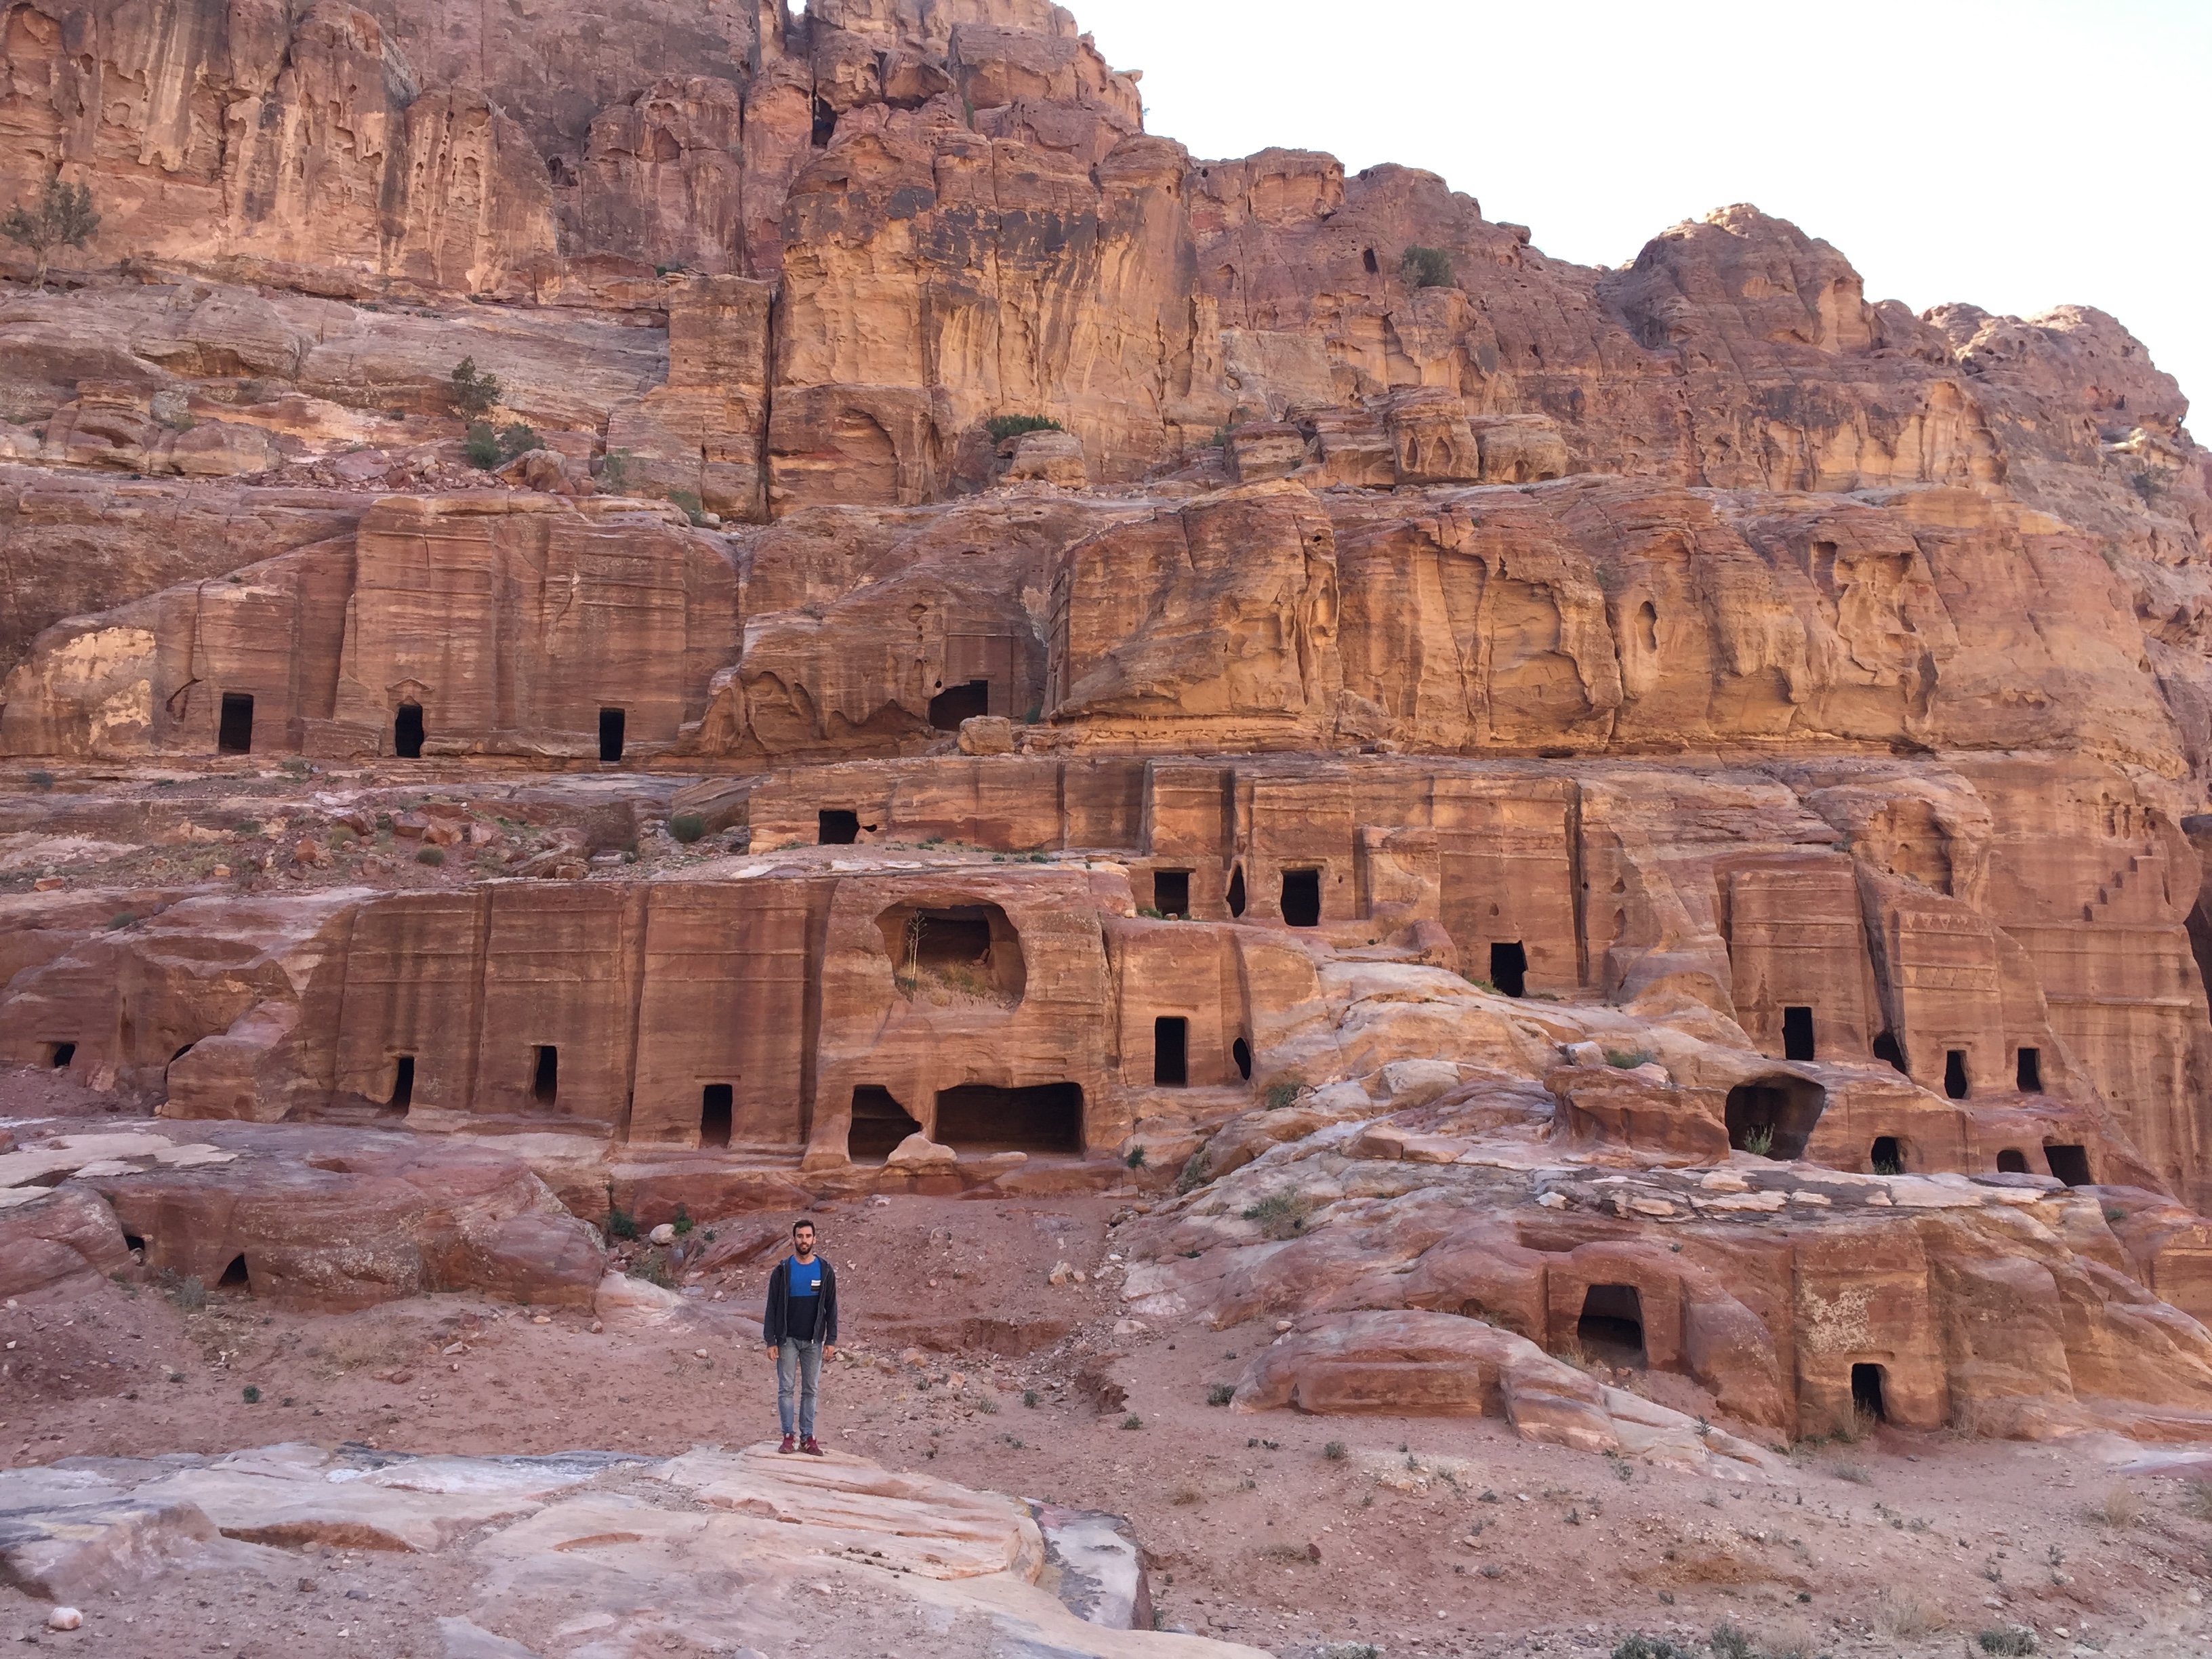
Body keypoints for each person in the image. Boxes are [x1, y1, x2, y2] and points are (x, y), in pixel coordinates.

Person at [762, 1218, 838, 1454]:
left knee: (810, 1390)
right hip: (787, 1340)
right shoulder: (783, 1270)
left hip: (813, 1341)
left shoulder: (824, 1270)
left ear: (814, 1240)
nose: (804, 1241)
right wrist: (771, 1340)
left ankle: (807, 1437)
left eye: (808, 1236)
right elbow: (772, 1306)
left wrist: (831, 1339)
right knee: (786, 1388)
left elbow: (831, 1306)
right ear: (793, 1239)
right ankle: (788, 1436)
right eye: (799, 1236)